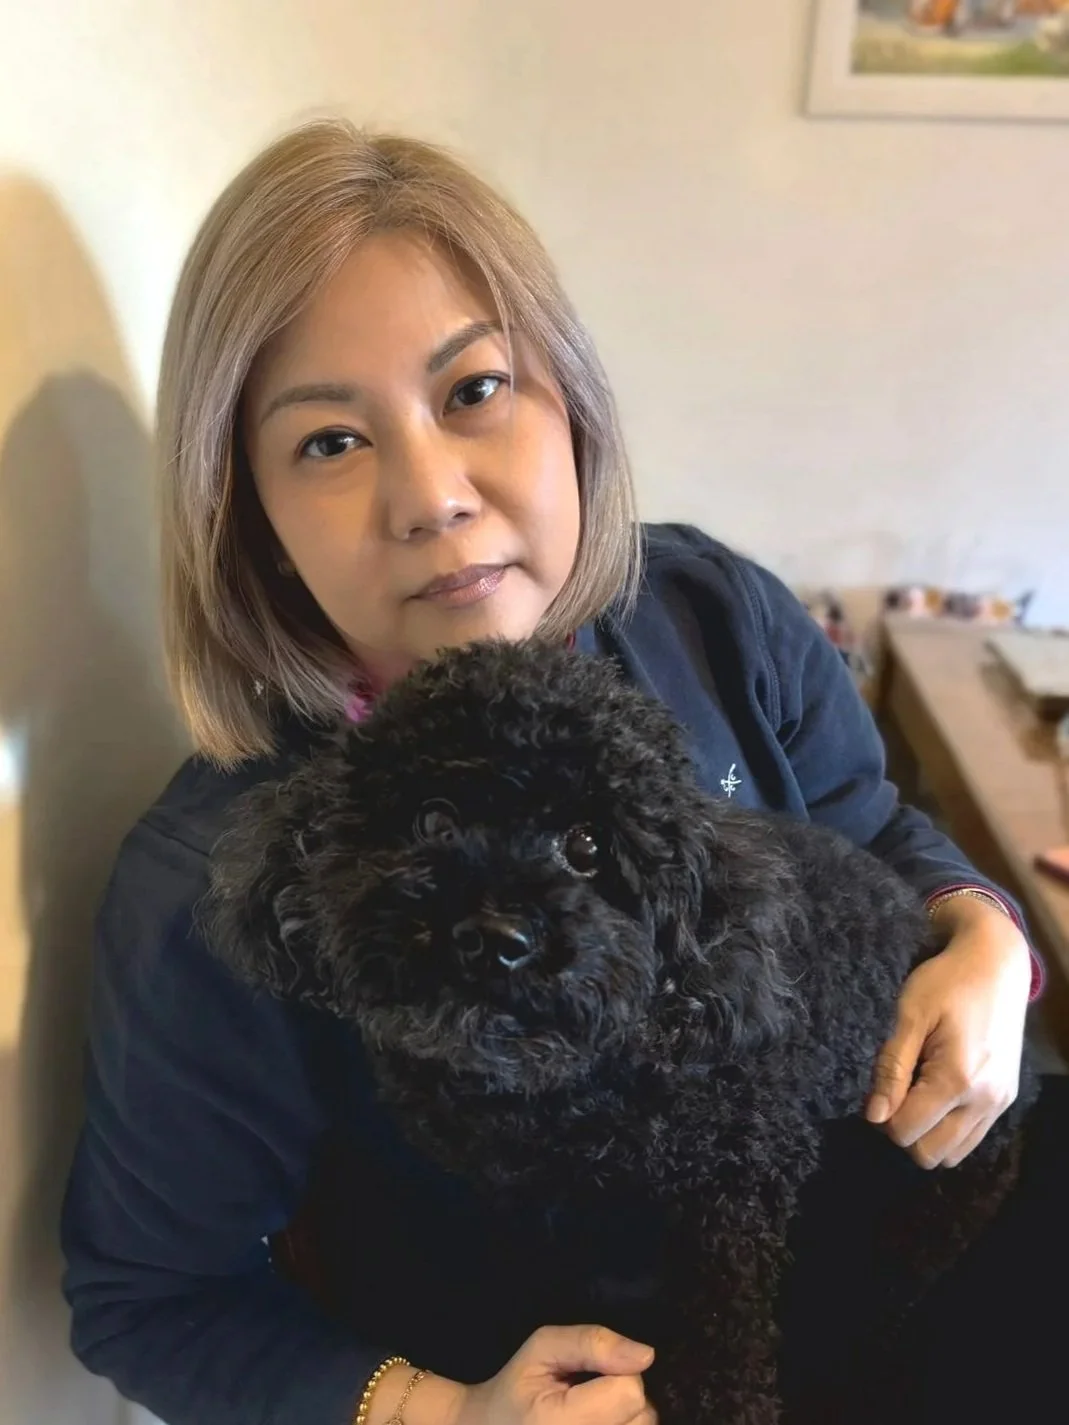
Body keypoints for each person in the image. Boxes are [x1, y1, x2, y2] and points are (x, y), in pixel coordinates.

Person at [60, 119, 1063, 1425]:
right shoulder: (208, 882)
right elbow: (151, 1297)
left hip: (865, 1244)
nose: (431, 495)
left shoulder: (709, 606)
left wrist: (982, 941)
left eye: (474, 392)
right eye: (328, 442)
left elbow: (868, 819)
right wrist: (439, 1412)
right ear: (244, 517)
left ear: (572, 401)